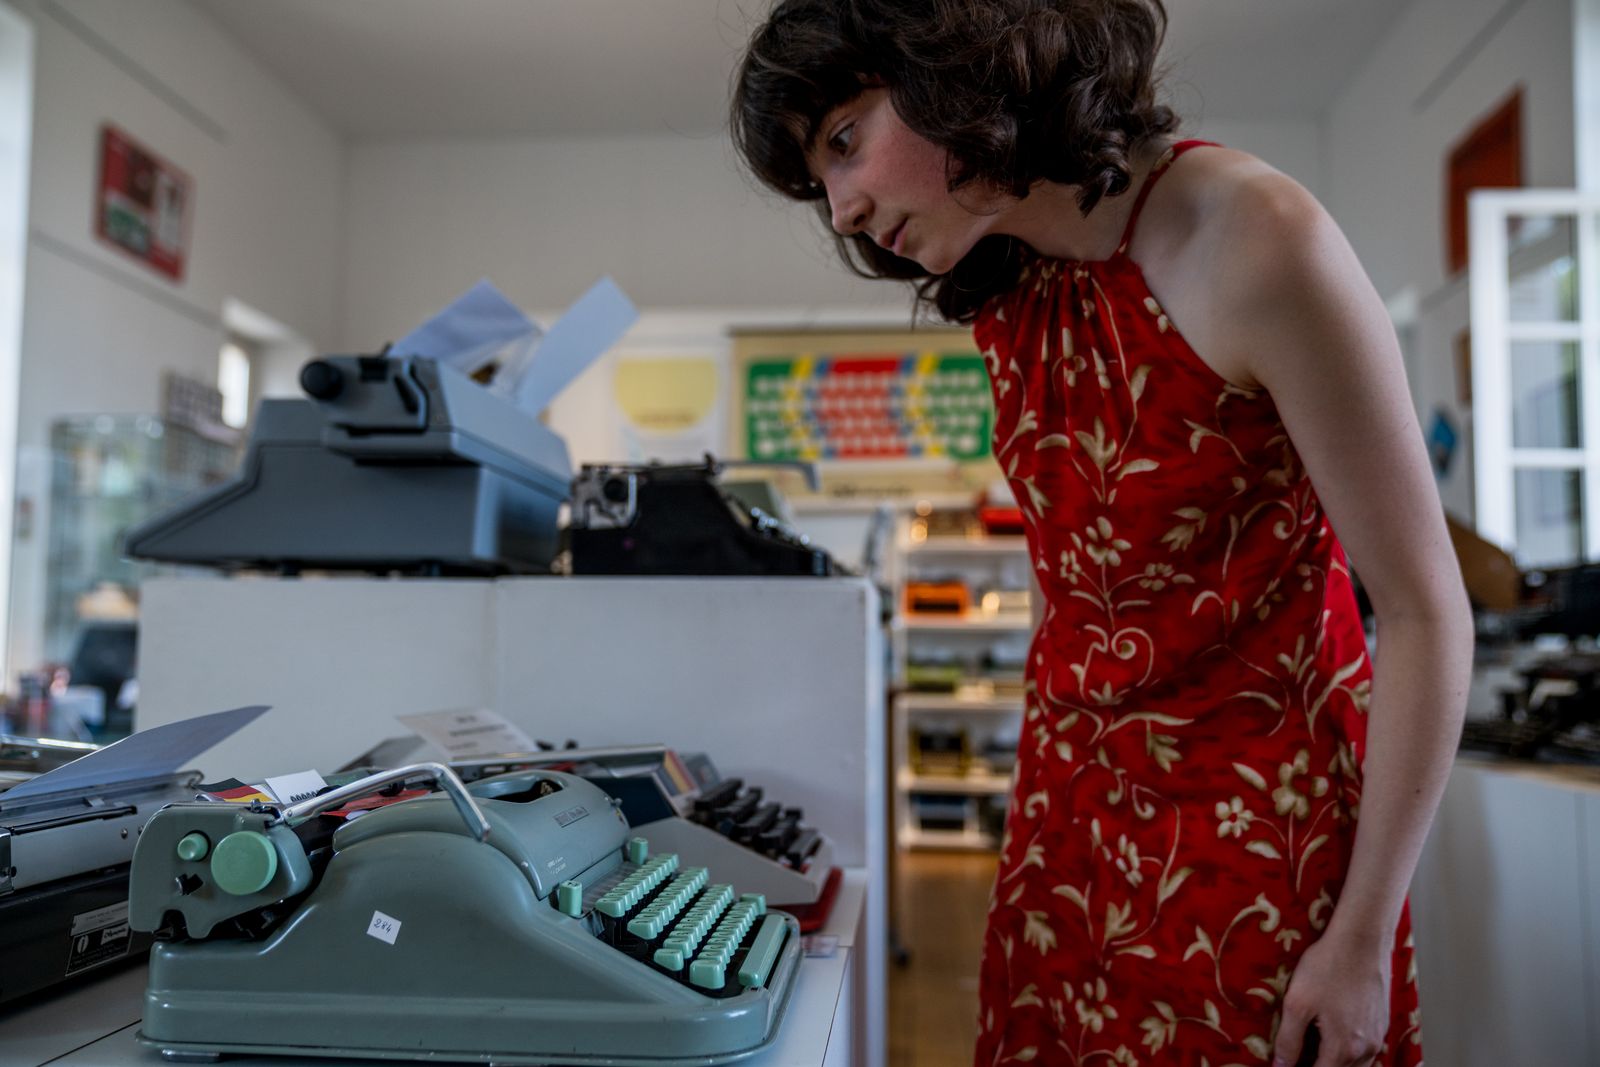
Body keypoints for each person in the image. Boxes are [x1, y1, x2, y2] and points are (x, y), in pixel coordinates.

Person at [731, 2, 1473, 1066]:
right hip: (1068, 817)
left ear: (956, 63)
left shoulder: (1257, 237)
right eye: (819, 180)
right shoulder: (1010, 289)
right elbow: (1076, 582)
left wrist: (1360, 936)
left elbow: (1422, 605)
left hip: (1255, 826)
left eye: (844, 139)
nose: (842, 210)